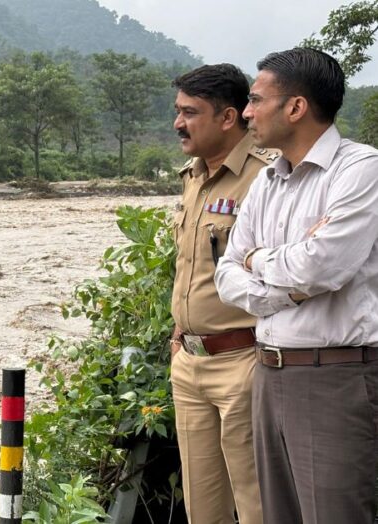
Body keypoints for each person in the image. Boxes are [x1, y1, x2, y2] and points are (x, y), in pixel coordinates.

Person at [215, 47, 378, 524]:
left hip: (336, 377)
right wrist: (285, 283)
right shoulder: (267, 180)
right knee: (277, 515)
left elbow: (322, 265)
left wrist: (258, 260)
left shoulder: (360, 169)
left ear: (295, 107)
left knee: (334, 514)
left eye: (255, 100)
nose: (246, 113)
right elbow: (227, 274)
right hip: (268, 372)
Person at [169, 64, 275, 524]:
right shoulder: (191, 177)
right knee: (202, 506)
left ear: (228, 117)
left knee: (257, 503)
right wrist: (178, 334)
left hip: (243, 362)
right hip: (189, 364)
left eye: (190, 113)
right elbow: (189, 268)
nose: (178, 124)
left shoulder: (267, 179)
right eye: (178, 111)